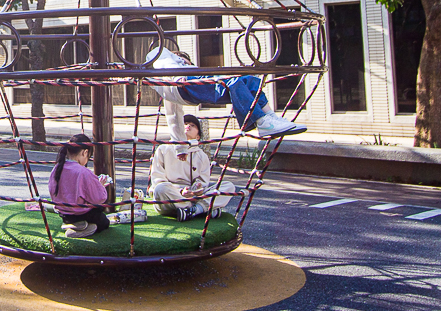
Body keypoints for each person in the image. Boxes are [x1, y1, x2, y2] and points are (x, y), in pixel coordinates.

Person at [146, 45, 306, 156]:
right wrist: (180, 147)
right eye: (185, 60)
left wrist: (180, 147)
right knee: (232, 81)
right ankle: (262, 122)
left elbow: (174, 116)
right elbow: (172, 116)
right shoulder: (166, 67)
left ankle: (269, 117)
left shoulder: (171, 78)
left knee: (248, 81)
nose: (188, 62)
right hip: (185, 84)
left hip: (192, 89)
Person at [150, 114, 235, 222]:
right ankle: (201, 210)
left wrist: (197, 190)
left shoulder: (201, 156)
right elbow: (157, 179)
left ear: (198, 136)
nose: (188, 126)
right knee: (160, 188)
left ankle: (194, 210)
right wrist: (181, 192)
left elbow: (203, 182)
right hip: (170, 197)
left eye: (192, 125)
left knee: (228, 186)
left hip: (193, 197)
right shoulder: (163, 149)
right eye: (184, 124)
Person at [48, 133, 112, 238]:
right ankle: (81, 229)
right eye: (89, 157)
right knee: (104, 222)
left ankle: (71, 224)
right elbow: (99, 199)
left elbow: (52, 190)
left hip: (64, 214)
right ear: (84, 152)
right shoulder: (83, 172)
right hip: (82, 214)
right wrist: (100, 186)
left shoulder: (57, 168)